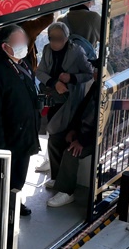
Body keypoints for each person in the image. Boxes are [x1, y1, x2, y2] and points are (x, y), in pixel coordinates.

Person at [0, 24, 40, 222]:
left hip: (27, 132)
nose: (24, 46)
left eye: (24, 42)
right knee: (4, 177)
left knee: (20, 174)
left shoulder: (24, 63)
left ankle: (15, 201)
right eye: (19, 43)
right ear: (5, 47)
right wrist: (0, 144)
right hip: (9, 136)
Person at [35, 22, 94, 189]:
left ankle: (62, 181)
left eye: (59, 39)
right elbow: (40, 72)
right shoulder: (47, 50)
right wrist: (54, 83)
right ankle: (55, 177)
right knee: (54, 137)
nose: (55, 42)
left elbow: (88, 73)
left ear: (66, 38)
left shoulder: (76, 51)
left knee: (58, 134)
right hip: (52, 97)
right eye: (52, 38)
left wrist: (71, 78)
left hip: (70, 101)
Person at [47, 75, 99, 207]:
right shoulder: (95, 86)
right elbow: (81, 110)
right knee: (55, 139)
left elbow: (101, 125)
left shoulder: (107, 93)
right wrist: (73, 130)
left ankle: (67, 192)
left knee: (71, 152)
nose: (94, 73)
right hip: (82, 132)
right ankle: (58, 178)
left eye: (96, 70)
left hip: (94, 138)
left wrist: (81, 141)